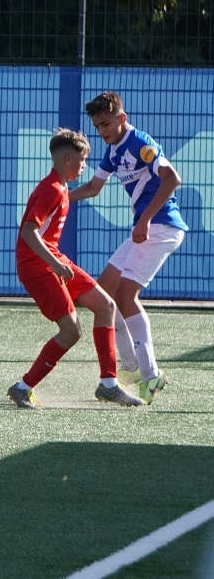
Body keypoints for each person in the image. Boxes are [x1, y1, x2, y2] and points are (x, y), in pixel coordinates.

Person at [7, 128, 145, 409]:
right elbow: (29, 233)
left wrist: (57, 260)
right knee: (71, 331)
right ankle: (23, 387)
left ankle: (108, 385)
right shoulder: (51, 190)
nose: (85, 166)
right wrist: (54, 263)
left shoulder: (60, 188)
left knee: (105, 306)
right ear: (68, 159)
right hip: (37, 265)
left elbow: (89, 191)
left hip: (53, 258)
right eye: (82, 161)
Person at [69, 91, 187, 404]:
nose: (103, 131)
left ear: (122, 118)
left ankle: (150, 376)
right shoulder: (112, 151)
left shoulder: (141, 144)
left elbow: (172, 179)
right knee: (101, 294)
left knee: (124, 295)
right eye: (98, 127)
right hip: (146, 228)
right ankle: (131, 364)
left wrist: (144, 221)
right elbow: (94, 188)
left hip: (161, 227)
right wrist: (60, 198)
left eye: (107, 124)